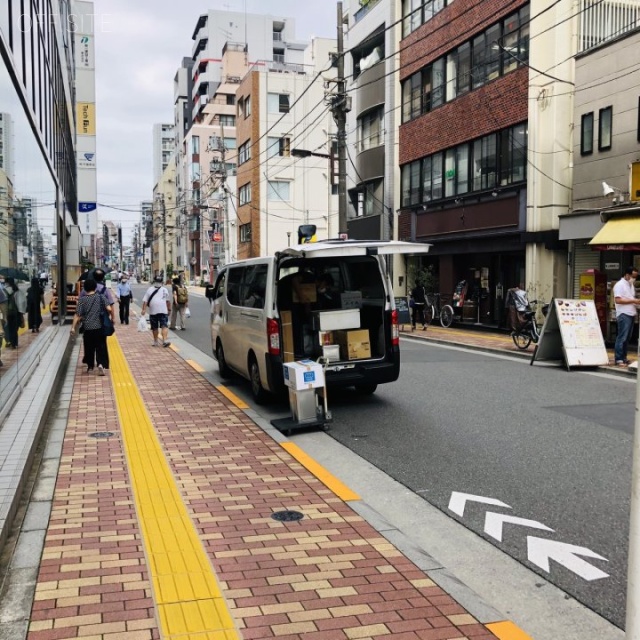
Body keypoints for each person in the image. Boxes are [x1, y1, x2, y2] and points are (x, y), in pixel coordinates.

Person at [70, 278, 113, 376]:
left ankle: (90, 366)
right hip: (99, 327)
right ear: (94, 287)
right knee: (100, 347)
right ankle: (101, 364)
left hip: (88, 328)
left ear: (85, 288)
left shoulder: (82, 299)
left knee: (89, 347)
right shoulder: (101, 297)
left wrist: (73, 327)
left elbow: (77, 314)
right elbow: (109, 309)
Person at [613, 266, 640, 366]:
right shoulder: (619, 285)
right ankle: (619, 359)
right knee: (622, 337)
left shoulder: (630, 285)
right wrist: (634, 301)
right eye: (633, 276)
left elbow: (629, 298)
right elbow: (618, 300)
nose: (634, 278)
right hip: (624, 314)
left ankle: (624, 358)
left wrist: (636, 303)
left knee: (627, 338)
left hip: (631, 313)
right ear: (627, 275)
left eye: (636, 277)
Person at [141, 275, 172, 347]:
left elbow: (145, 301)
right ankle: (161, 341)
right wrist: (169, 309)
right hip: (159, 311)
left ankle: (158, 341)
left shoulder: (160, 290)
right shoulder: (162, 290)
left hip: (159, 311)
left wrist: (144, 309)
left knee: (158, 326)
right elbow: (168, 301)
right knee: (162, 326)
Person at [3, 277, 21, 348]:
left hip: (8, 312)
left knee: (7, 328)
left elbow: (3, 303)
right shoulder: (16, 289)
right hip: (15, 311)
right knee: (14, 328)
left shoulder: (4, 290)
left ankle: (9, 341)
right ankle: (14, 343)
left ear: (7, 282)